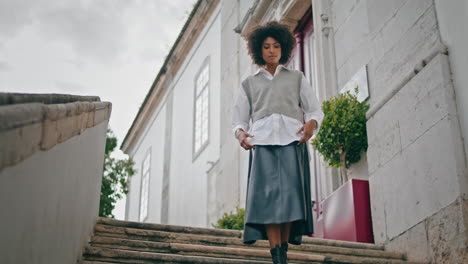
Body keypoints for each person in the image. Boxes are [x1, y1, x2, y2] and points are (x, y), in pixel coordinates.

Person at [231, 21, 324, 264]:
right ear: (258, 51)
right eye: (265, 47)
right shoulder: (248, 84)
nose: (271, 51)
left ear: (282, 48)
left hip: (292, 144)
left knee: (289, 202)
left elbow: (315, 110)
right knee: (270, 204)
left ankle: (283, 250)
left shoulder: (296, 77)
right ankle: (277, 257)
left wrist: (311, 125)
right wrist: (241, 135)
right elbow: (238, 121)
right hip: (262, 146)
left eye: (275, 46)